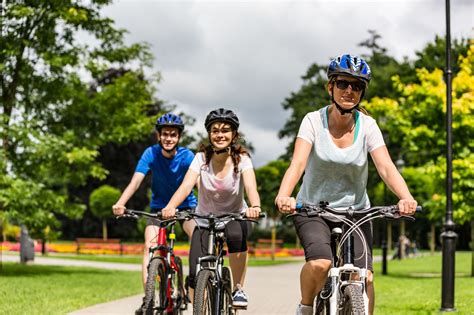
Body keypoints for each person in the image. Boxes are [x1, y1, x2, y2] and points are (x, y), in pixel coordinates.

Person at [275, 54, 418, 315]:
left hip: (356, 212)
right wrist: (284, 195)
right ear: (330, 87)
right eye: (342, 83)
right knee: (320, 264)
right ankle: (306, 307)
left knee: (364, 277)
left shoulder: (369, 126)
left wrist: (405, 197)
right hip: (313, 210)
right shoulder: (312, 121)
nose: (349, 90)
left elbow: (386, 167)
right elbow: (297, 164)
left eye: (357, 86)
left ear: (362, 91)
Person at [162, 108, 261, 308]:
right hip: (205, 219)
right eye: (215, 130)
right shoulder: (201, 158)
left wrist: (255, 206)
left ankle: (238, 288)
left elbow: (250, 186)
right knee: (195, 268)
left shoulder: (242, 160)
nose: (219, 135)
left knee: (234, 235)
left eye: (225, 130)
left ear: (234, 135)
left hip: (236, 217)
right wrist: (171, 206)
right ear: (209, 134)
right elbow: (186, 186)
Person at [112, 113, 197, 315]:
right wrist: (121, 203)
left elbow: (199, 183)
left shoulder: (187, 156)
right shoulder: (150, 153)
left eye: (173, 135)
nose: (169, 138)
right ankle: (148, 299)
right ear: (159, 136)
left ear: (179, 137)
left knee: (198, 235)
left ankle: (193, 278)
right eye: (165, 134)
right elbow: (135, 181)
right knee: (150, 248)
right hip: (158, 209)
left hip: (186, 208)